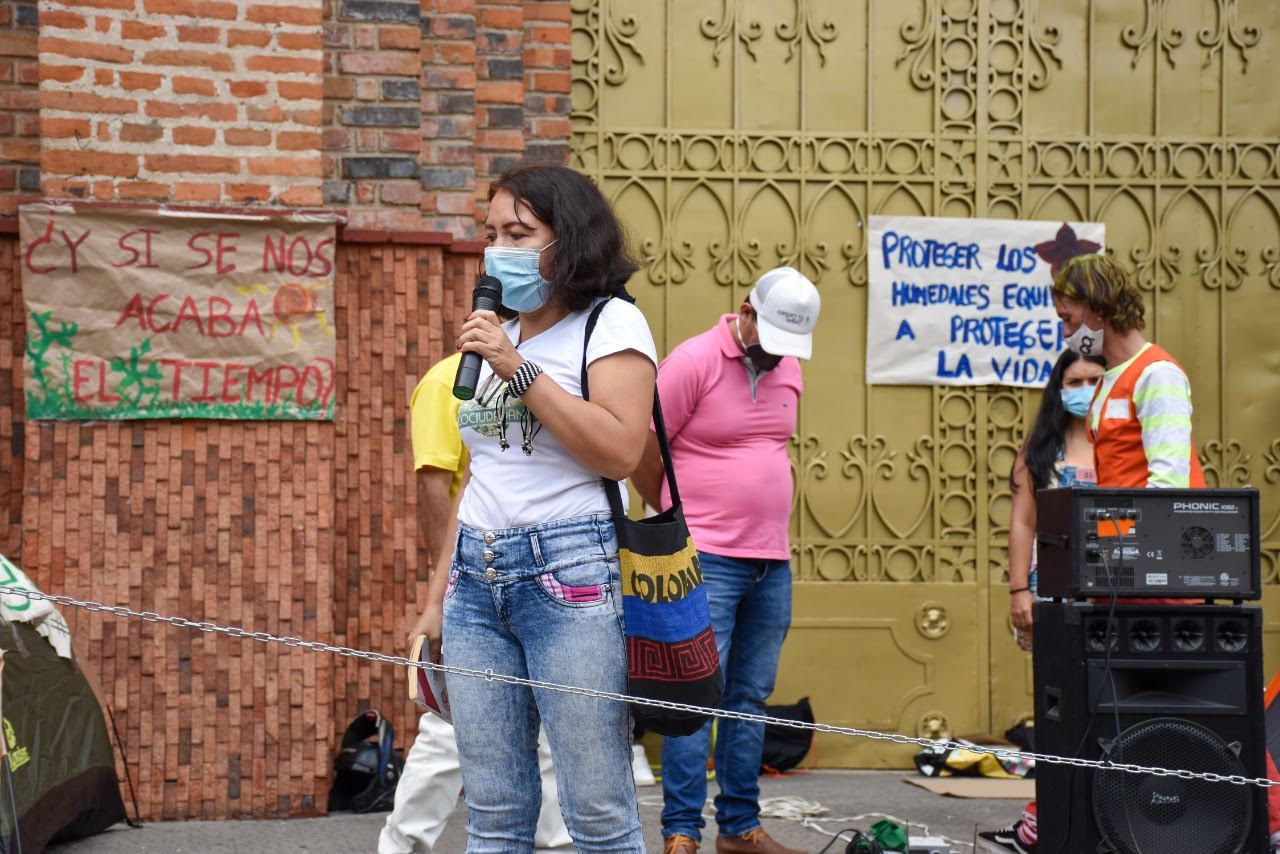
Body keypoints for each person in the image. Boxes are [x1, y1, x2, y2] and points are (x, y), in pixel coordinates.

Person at [416, 163, 657, 852]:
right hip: (475, 579)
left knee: (597, 813)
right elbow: (481, 476)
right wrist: (439, 594)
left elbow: (617, 452)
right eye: (491, 234)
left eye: (519, 233)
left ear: (569, 240)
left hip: (570, 576)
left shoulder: (611, 326)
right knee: (492, 812)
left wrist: (517, 372)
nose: (499, 250)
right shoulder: (505, 329)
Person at [981, 253, 1204, 854]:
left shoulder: (1158, 375)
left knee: (1189, 714)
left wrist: (1117, 553)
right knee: (1115, 716)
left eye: (1068, 312)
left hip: (1161, 577)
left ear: (1097, 307)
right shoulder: (1108, 379)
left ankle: (1261, 813)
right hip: (1119, 576)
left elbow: (1166, 488)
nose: (1062, 324)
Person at [632, 267, 820, 854]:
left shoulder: (787, 365)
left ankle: (738, 827)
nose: (777, 357)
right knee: (695, 695)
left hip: (771, 560)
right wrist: (672, 517)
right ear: (745, 312)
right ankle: (682, 832)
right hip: (705, 556)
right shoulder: (692, 363)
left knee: (750, 697)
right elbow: (642, 445)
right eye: (769, 341)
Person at [378, 347, 571, 853]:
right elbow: (435, 487)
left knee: (550, 734)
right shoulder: (446, 382)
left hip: (547, 580)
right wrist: (444, 592)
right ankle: (400, 846)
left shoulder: (543, 374)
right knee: (450, 731)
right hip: (474, 581)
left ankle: (553, 844)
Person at [1006, 349, 1105, 651]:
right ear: (1059, 390)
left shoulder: (1124, 447)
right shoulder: (1039, 451)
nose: (1085, 389)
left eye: (1095, 380)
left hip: (1112, 587)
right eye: (1075, 382)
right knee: (1057, 680)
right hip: (1049, 587)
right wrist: (1019, 589)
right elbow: (1023, 523)